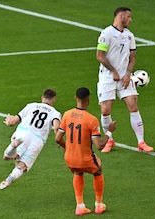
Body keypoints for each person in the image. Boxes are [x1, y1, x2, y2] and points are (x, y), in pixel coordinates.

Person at [96, 6, 153, 153]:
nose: (130, 19)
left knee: (133, 105)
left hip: (124, 78)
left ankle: (141, 142)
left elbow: (132, 57)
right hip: (107, 77)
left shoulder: (129, 36)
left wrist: (128, 74)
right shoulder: (106, 33)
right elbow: (100, 56)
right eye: (128, 17)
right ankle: (110, 140)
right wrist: (114, 71)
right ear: (121, 16)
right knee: (105, 110)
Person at [55, 87, 116, 215]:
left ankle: (80, 206)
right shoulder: (91, 119)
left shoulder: (67, 114)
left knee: (78, 172)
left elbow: (57, 138)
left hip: (70, 158)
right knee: (98, 170)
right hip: (85, 158)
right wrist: (109, 131)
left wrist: (68, 147)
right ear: (88, 100)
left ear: (75, 98)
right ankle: (99, 205)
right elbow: (99, 146)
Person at [0, 89, 61, 189]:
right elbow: (57, 127)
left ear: (42, 98)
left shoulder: (31, 105)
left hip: (23, 133)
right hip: (37, 141)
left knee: (7, 157)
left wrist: (9, 121)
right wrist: (59, 140)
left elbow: (12, 122)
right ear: (53, 100)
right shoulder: (55, 113)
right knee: (22, 166)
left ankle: (13, 146)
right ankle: (9, 178)